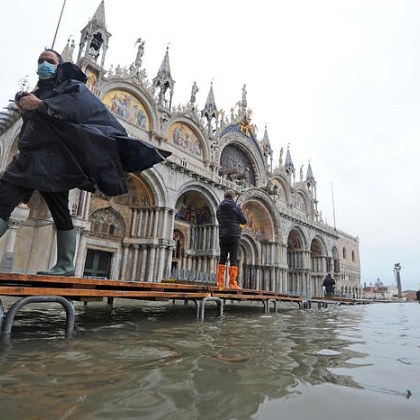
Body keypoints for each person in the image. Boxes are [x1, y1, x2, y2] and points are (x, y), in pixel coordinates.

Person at [0, 49, 170, 276]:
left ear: (60, 65)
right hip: (28, 158)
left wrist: (39, 105)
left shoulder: (72, 87)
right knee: (3, 202)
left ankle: (66, 265)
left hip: (53, 162)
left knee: (60, 211)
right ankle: (66, 264)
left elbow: (76, 110)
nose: (43, 64)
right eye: (40, 61)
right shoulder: (37, 91)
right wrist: (25, 104)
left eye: (49, 61)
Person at [216, 190, 247, 289]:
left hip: (223, 235)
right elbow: (244, 220)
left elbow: (220, 219)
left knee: (222, 258)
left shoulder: (219, 208)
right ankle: (232, 283)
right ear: (233, 197)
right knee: (233, 258)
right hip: (234, 235)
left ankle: (219, 283)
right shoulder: (235, 207)